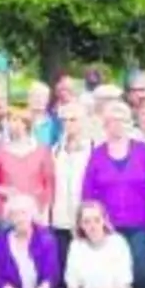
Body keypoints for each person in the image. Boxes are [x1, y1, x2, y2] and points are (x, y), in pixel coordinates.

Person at [81, 101, 145, 288]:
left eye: (121, 120)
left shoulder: (143, 151)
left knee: (143, 271)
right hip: (108, 227)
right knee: (111, 274)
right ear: (104, 125)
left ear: (129, 123)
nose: (116, 125)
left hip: (140, 223)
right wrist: (93, 225)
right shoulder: (97, 155)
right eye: (111, 121)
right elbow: (88, 194)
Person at [49, 100, 95, 264]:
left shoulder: (93, 148)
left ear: (83, 121)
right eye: (65, 120)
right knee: (63, 262)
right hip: (60, 218)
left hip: (86, 218)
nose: (68, 124)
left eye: (73, 119)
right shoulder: (55, 150)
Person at [0, 107, 55, 226]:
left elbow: (49, 183)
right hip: (8, 213)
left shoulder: (42, 151)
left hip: (35, 212)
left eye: (17, 120)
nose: (13, 124)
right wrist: (4, 190)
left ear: (27, 124)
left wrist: (45, 210)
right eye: (10, 120)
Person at [29, 81, 61, 147]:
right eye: (36, 96)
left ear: (47, 100)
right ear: (29, 98)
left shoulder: (54, 125)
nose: (39, 100)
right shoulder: (20, 121)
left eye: (43, 96)